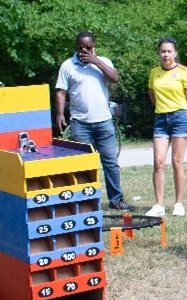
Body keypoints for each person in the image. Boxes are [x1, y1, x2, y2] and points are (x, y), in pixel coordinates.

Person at [55, 31, 133, 211]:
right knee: (84, 165)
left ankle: (116, 200)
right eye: (80, 48)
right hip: (80, 123)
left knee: (110, 163)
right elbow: (60, 92)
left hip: (104, 122)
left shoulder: (103, 62)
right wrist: (60, 114)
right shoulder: (68, 65)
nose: (84, 51)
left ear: (94, 47)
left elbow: (115, 78)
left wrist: (96, 61)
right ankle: (86, 202)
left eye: (88, 48)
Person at [147, 37, 187, 217]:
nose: (166, 55)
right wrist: (160, 108)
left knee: (177, 162)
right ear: (158, 53)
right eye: (163, 51)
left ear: (175, 53)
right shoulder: (154, 72)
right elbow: (152, 93)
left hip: (181, 117)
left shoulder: (185, 72)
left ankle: (178, 203)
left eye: (169, 51)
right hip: (161, 119)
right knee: (158, 161)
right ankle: (159, 204)